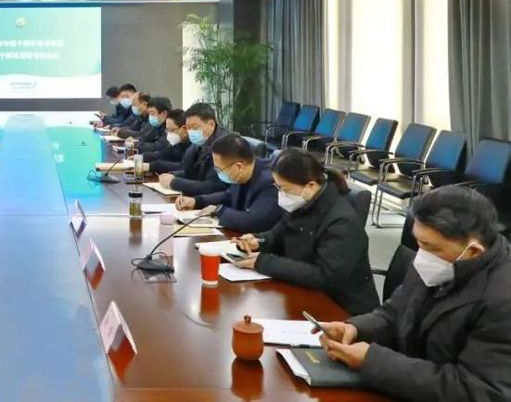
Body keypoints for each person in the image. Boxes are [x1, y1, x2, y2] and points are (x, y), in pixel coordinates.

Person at [316, 186, 511, 400]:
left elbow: (479, 390)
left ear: (472, 251)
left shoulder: (502, 299)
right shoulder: (438, 262)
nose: (421, 256)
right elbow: (394, 313)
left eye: (430, 247)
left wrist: (372, 361)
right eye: (418, 243)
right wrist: (356, 328)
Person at [231, 149, 378, 315]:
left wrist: (265, 262)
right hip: (305, 292)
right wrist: (257, 241)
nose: (281, 195)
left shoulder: (342, 222)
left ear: (310, 186)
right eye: (278, 188)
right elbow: (277, 235)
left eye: (284, 189)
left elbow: (324, 276)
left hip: (341, 308)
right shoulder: (303, 203)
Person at [176, 133, 280, 234]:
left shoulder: (270, 181)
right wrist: (196, 201)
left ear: (238, 166)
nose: (218, 173)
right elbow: (228, 196)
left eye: (219, 169)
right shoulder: (243, 173)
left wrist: (219, 210)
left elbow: (252, 221)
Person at [160, 102, 227, 196]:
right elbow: (191, 173)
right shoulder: (198, 144)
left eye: (195, 127)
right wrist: (173, 175)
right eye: (188, 128)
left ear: (211, 124)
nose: (191, 132)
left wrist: (174, 183)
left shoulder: (224, 146)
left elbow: (212, 186)